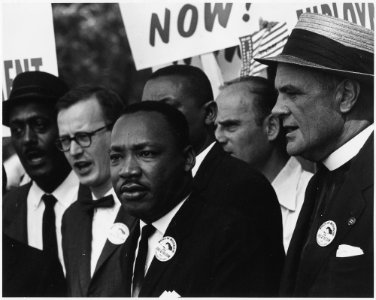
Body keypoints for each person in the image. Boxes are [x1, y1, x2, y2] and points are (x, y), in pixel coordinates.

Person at [110, 101, 284, 296]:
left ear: (188, 159)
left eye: (146, 153)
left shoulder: (230, 234)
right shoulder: (131, 241)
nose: (127, 170)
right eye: (116, 157)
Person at [256, 13, 374, 297]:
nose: (277, 109)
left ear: (345, 96)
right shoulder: (322, 179)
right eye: (277, 94)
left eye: (292, 93)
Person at [141, 66, 284, 273]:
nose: (152, 122)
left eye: (168, 109)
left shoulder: (241, 183)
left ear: (209, 113)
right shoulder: (157, 183)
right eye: (147, 111)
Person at [2, 71, 80, 296]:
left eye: (39, 124)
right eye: (17, 130)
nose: (27, 139)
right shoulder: (7, 209)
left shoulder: (100, 198)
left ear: (64, 129)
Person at [215, 76, 313, 252]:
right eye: (215, 127)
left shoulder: (313, 197)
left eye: (230, 126)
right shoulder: (216, 202)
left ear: (271, 127)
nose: (218, 137)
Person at [56, 86, 135, 296]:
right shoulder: (71, 218)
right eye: (65, 140)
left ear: (116, 130)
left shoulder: (147, 207)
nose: (73, 151)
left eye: (83, 136)